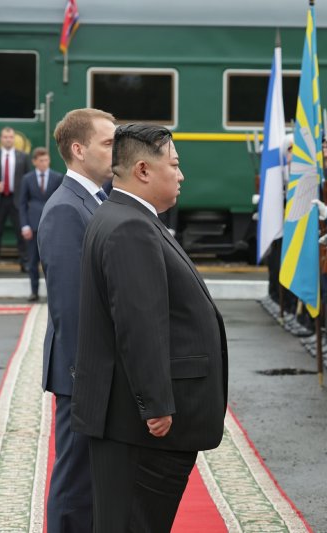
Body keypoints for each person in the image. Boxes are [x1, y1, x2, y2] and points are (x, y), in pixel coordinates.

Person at [71, 123, 228, 531]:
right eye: (174, 165)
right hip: (142, 428)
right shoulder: (130, 226)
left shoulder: (122, 216)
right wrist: (156, 405)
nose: (181, 175)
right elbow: (140, 324)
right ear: (143, 170)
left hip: (127, 418)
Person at [38, 107, 116, 533]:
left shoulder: (92, 200)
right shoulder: (67, 209)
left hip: (90, 370)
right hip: (81, 373)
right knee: (74, 484)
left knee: (90, 481)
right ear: (78, 149)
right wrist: (87, 377)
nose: (116, 149)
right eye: (108, 142)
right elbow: (72, 305)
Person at [0, 126, 32, 273]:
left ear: (14, 139)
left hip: (17, 200)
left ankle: (25, 263)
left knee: (21, 234)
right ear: (1, 139)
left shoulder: (23, 156)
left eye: (11, 137)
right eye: (5, 137)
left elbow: (29, 177)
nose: (8, 139)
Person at [19, 147, 64, 301]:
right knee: (32, 261)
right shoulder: (27, 179)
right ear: (34, 162)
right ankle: (34, 292)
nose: (44, 163)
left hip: (51, 226)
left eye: (46, 160)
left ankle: (53, 293)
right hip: (32, 226)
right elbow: (22, 204)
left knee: (51, 261)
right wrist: (24, 225)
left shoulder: (57, 177)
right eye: (41, 161)